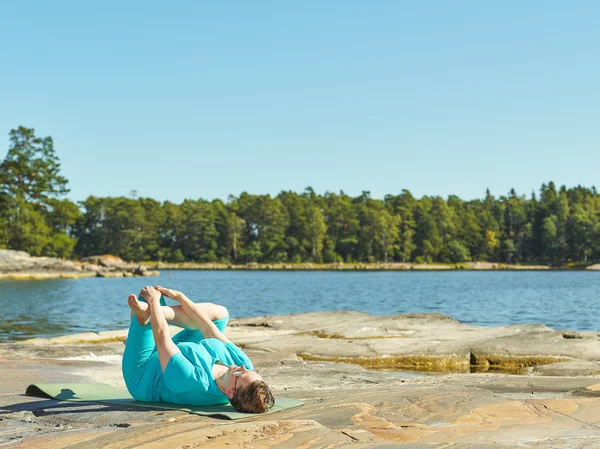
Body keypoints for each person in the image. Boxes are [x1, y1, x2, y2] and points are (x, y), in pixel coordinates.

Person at [121, 285, 274, 413]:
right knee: (220, 315)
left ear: (230, 393)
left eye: (240, 375)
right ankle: (150, 313)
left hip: (144, 372)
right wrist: (180, 297)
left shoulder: (194, 381)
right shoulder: (242, 365)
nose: (242, 367)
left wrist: (153, 301)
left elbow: (161, 337)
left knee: (147, 301)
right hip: (181, 350)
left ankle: (145, 316)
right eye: (248, 370)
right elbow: (208, 328)